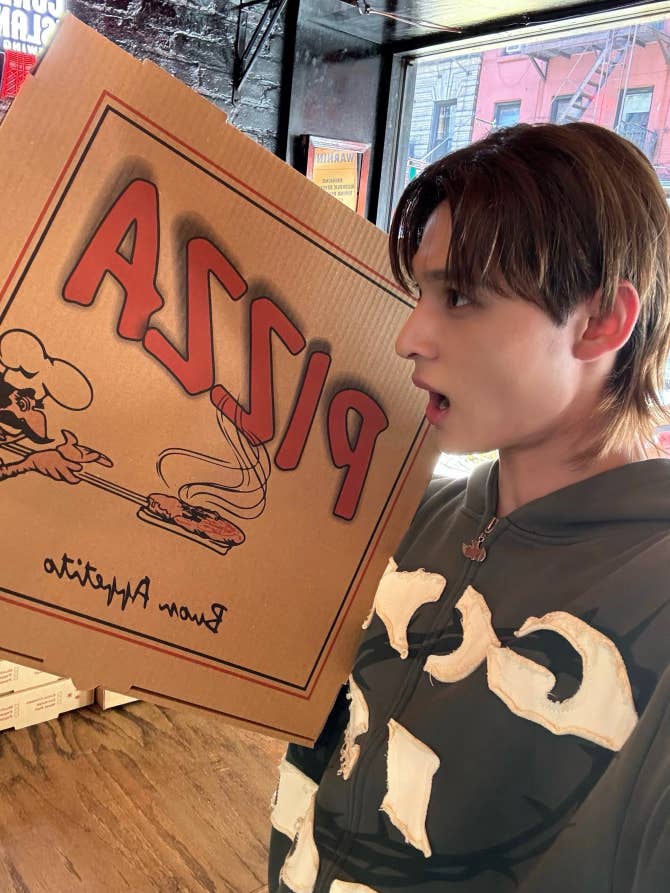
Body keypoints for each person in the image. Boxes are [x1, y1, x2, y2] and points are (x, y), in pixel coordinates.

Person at [267, 122, 670, 893]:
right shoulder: (408, 513)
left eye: (459, 297)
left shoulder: (656, 593)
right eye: (420, 293)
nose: (409, 337)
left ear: (600, 322)